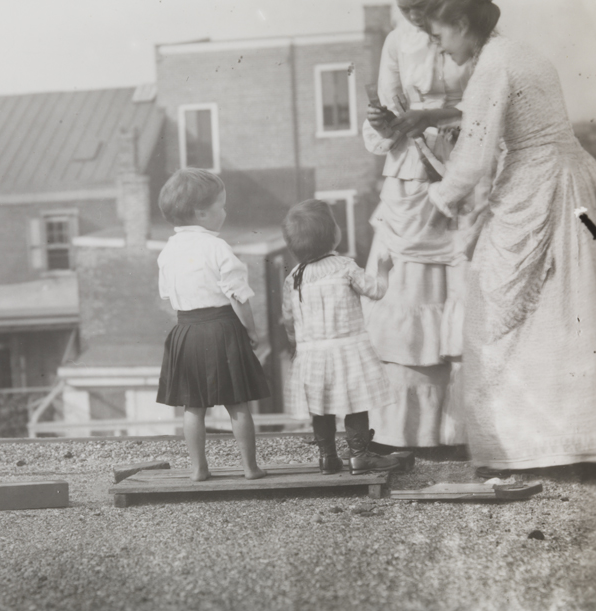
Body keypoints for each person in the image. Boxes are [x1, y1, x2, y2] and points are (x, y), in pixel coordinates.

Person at [423, 0, 596, 471]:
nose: (440, 47)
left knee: (496, 308)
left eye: (441, 35)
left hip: (541, 186)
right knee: (570, 309)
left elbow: (474, 156)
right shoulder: (516, 53)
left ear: (463, 25)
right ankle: (581, 439)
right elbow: (482, 121)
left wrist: (437, 200)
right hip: (574, 178)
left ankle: (530, 445)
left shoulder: (493, 65)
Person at [361, 0, 485, 448]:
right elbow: (385, 124)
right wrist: (382, 122)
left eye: (420, 5)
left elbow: (488, 103)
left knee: (465, 286)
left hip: (465, 167)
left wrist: (441, 119)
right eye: (404, 6)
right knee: (408, 292)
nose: (412, 13)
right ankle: (409, 432)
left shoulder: (470, 35)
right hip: (410, 180)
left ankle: (464, 432)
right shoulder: (397, 42)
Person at [156, 168, 269, 481]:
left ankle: (198, 469)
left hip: (186, 330)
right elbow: (239, 296)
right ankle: (250, 467)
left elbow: (167, 295)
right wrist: (251, 330)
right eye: (221, 206)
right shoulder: (218, 247)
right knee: (237, 405)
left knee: (193, 408)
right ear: (201, 213)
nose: (225, 211)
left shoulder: (167, 252)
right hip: (222, 328)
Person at [281, 200, 399, 474]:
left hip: (312, 354)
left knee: (320, 406)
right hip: (347, 350)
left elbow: (289, 318)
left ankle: (327, 457)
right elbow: (376, 291)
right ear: (333, 235)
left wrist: (295, 345)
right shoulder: (344, 266)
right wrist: (383, 269)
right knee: (354, 402)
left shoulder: (294, 278)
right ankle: (360, 455)